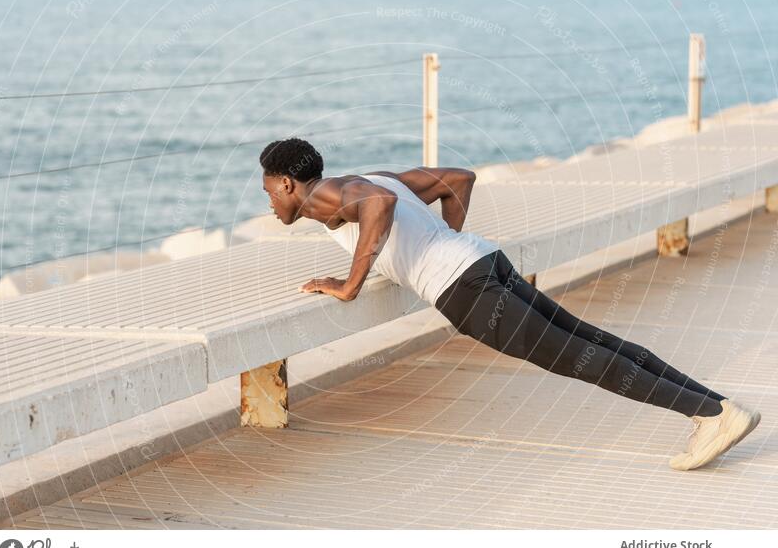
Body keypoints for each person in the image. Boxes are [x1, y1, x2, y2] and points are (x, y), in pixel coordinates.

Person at [259, 137, 761, 471]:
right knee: (592, 341)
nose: (270, 204)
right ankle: (716, 407)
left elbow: (378, 208)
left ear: (287, 183)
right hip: (481, 261)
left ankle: (712, 415)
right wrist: (440, 242)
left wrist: (350, 283)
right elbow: (458, 178)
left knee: (585, 360)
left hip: (464, 288)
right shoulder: (371, 176)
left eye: (268, 193)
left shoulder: (321, 196)